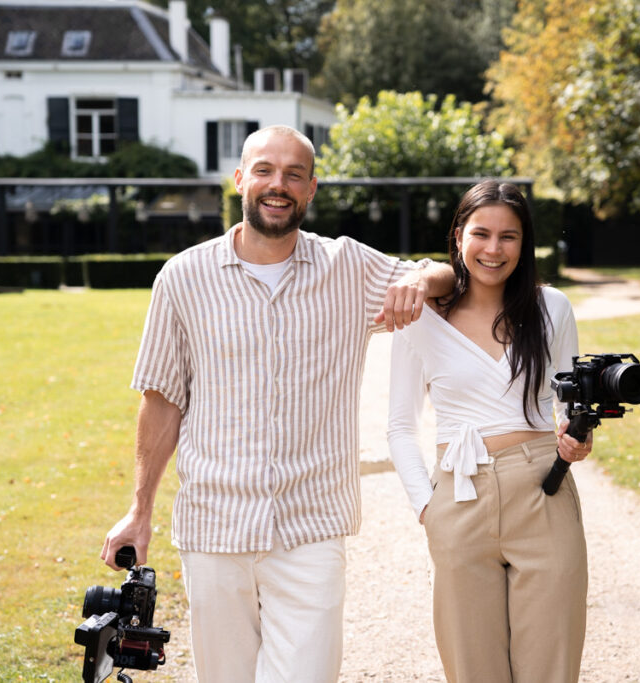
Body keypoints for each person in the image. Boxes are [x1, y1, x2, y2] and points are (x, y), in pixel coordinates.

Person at [101, 125, 454, 683]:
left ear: (311, 189)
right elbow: (162, 400)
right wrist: (139, 509)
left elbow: (445, 273)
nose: (277, 184)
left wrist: (418, 279)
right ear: (240, 179)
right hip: (215, 526)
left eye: (294, 174)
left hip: (311, 526)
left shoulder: (349, 268)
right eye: (264, 170)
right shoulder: (184, 278)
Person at [387, 180, 592, 682]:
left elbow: (570, 403)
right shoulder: (421, 317)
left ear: (525, 244)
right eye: (482, 234)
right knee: (473, 670)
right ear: (459, 236)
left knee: (550, 666)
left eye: (510, 237)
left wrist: (578, 438)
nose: (494, 250)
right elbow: (398, 425)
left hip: (543, 492)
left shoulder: (552, 309)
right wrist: (427, 507)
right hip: (458, 496)